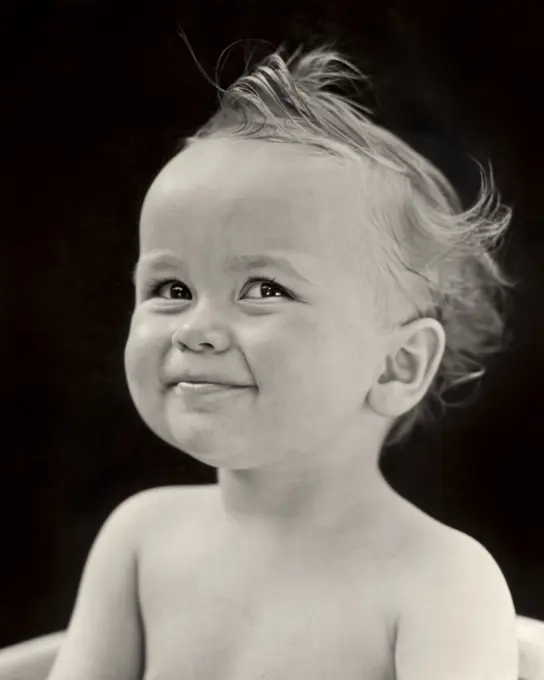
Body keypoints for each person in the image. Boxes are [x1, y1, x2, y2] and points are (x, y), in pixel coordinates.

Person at [46, 39, 519, 680]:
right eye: (171, 289)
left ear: (397, 365)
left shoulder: (439, 584)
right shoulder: (141, 541)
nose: (196, 329)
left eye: (264, 290)